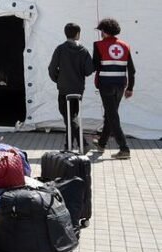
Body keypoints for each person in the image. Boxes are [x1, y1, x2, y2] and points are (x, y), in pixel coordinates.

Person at [92, 18, 135, 160]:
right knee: (111, 115)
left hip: (106, 85)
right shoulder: (125, 46)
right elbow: (132, 70)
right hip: (121, 85)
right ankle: (102, 144)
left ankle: (124, 148)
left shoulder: (98, 45)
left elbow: (96, 66)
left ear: (104, 31)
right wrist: (130, 88)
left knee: (112, 116)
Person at [47, 23, 94, 151]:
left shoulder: (60, 49)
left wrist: (58, 80)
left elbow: (51, 68)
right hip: (78, 89)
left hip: (63, 89)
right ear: (78, 34)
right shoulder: (83, 50)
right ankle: (69, 146)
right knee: (72, 117)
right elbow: (89, 70)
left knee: (69, 118)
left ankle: (82, 144)